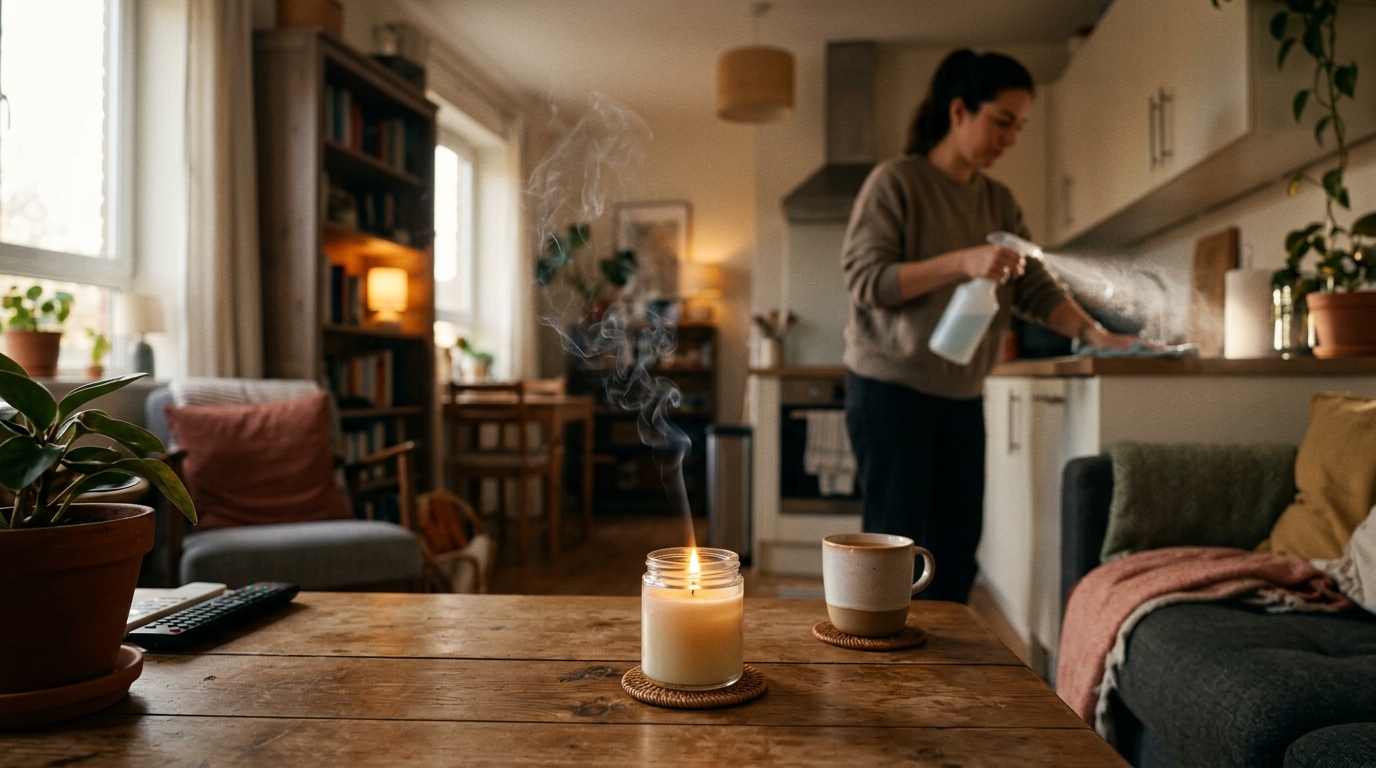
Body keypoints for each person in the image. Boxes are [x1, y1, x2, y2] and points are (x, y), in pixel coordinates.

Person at [841, 49, 1140, 604]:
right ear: (959, 112)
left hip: (959, 394)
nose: (1010, 138)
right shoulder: (897, 182)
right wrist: (963, 261)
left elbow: (1035, 289)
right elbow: (866, 280)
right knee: (891, 555)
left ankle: (942, 684)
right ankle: (878, 679)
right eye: (1002, 121)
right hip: (890, 392)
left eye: (1019, 128)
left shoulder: (999, 202)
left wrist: (1096, 334)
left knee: (955, 553)